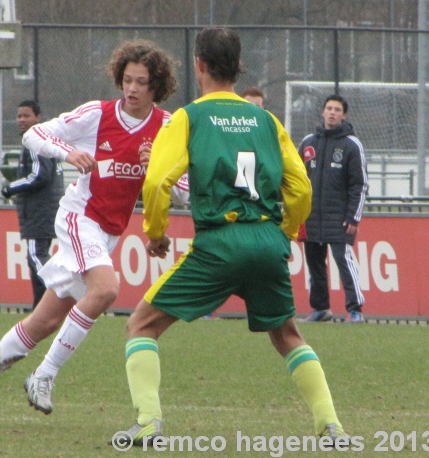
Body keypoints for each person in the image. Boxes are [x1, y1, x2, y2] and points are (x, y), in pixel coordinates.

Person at [113, 27, 348, 446]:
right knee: (288, 334)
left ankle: (149, 423)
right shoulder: (266, 119)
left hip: (219, 243)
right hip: (266, 239)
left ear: (199, 66)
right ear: (238, 68)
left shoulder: (189, 117)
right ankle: (331, 426)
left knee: (142, 326)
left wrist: (156, 233)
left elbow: (156, 183)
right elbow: (301, 189)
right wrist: (285, 233)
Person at [0, 38, 182, 425]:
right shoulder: (97, 114)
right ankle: (44, 375)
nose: (132, 88)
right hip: (78, 217)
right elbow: (33, 135)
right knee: (105, 289)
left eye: (141, 82)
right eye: (127, 79)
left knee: (43, 322)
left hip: (108, 233)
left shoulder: (167, 127)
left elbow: (185, 185)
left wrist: (159, 166)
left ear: (158, 86)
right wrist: (68, 153)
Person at [298, 95, 367, 323]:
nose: (332, 112)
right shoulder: (308, 142)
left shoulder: (351, 145)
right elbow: (297, 177)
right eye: (329, 108)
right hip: (311, 217)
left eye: (337, 109)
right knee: (314, 265)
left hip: (339, 218)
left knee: (344, 262)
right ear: (322, 112)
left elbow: (360, 184)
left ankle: (355, 309)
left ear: (344, 115)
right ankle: (321, 309)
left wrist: (353, 217)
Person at [1, 100, 65, 310]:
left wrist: (11, 187)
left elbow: (40, 175)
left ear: (37, 117)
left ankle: (55, 299)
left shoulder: (35, 140)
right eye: (19, 116)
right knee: (37, 256)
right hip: (45, 210)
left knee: (36, 257)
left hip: (40, 211)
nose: (21, 120)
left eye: (26, 116)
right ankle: (40, 307)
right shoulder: (45, 139)